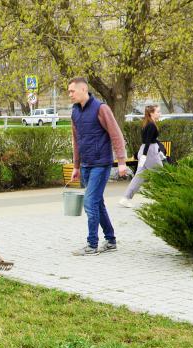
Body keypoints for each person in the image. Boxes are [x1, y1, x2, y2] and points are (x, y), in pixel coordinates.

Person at [67, 77, 127, 256]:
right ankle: (111, 240)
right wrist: (76, 166)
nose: (70, 94)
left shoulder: (101, 108)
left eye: (72, 91)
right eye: (69, 91)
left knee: (90, 202)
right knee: (97, 203)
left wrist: (122, 162)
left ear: (83, 89)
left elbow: (116, 135)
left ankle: (92, 245)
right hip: (85, 165)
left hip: (101, 164)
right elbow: (76, 141)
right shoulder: (75, 112)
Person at [121, 104, 165, 207]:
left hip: (148, 151)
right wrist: (145, 155)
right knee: (161, 173)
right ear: (151, 113)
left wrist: (157, 152)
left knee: (139, 177)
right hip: (150, 152)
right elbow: (148, 141)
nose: (159, 113)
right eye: (158, 112)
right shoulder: (151, 125)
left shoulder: (148, 123)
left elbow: (149, 141)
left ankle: (125, 198)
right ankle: (163, 198)